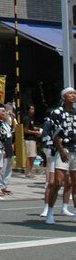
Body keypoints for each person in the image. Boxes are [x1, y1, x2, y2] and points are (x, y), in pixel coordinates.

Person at [44, 86, 76, 224]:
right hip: (63, 150)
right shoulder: (57, 112)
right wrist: (61, 150)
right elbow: (55, 133)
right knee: (58, 182)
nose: (73, 95)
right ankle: (50, 212)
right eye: (70, 93)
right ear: (63, 97)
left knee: (75, 183)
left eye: (74, 93)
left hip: (75, 149)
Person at [22, 104, 41, 177]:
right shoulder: (26, 119)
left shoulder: (32, 119)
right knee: (30, 156)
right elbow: (26, 130)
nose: (33, 111)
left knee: (33, 156)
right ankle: (27, 172)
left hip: (33, 139)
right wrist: (35, 132)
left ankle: (29, 171)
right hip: (29, 139)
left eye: (33, 109)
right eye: (31, 109)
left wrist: (36, 129)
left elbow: (31, 128)